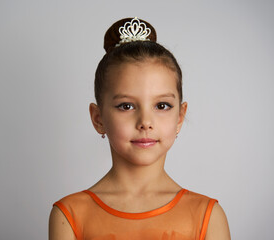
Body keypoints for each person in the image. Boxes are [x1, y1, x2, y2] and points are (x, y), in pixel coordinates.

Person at [49, 17, 230, 240]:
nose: (145, 121)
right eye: (126, 106)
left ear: (180, 117)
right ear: (98, 119)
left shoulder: (208, 216)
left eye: (161, 105)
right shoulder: (71, 215)